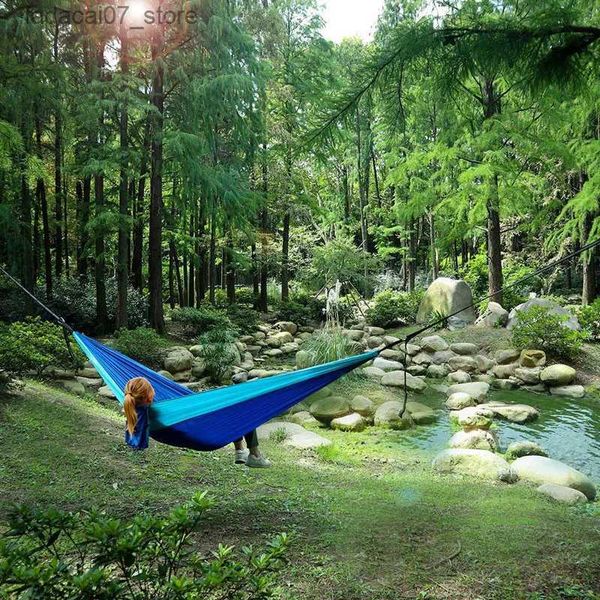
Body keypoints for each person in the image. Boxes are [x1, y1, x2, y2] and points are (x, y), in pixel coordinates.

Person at [123, 377, 271, 467]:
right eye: (152, 389)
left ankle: (240, 451)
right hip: (204, 434)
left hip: (195, 430)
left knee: (233, 409)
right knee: (245, 407)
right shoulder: (160, 411)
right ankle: (254, 455)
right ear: (149, 397)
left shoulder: (137, 412)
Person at [124, 377, 155, 450]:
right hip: (137, 445)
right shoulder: (143, 410)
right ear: (145, 397)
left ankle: (131, 443)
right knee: (139, 429)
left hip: (132, 441)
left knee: (132, 426)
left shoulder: (131, 405)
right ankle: (136, 447)